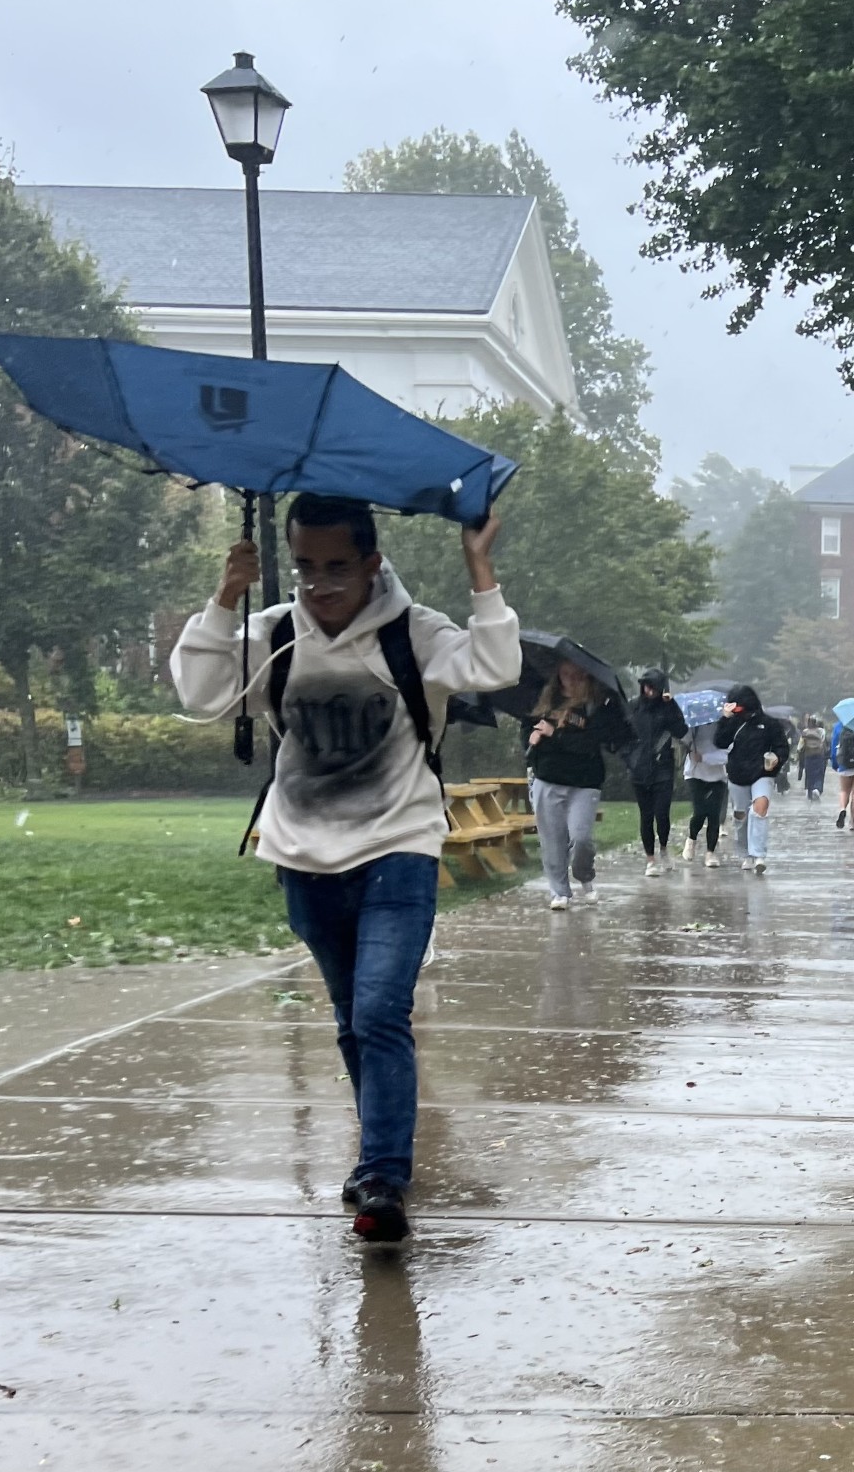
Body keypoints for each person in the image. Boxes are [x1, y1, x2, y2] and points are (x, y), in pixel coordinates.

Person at [171, 494, 519, 1243]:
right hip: (303, 852)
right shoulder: (275, 636)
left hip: (399, 845)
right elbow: (200, 696)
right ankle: (377, 1156)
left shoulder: (412, 634)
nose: (320, 583)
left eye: (337, 566)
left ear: (371, 561)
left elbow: (494, 664)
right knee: (350, 1020)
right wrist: (226, 597)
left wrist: (480, 570)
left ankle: (385, 1175)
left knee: (379, 1012)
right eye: (304, 566)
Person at [527, 660, 634, 911]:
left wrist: (556, 735)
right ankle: (559, 891)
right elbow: (528, 732)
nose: (572, 680)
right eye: (566, 674)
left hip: (585, 781)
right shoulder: (545, 702)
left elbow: (590, 744)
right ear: (558, 676)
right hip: (548, 777)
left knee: (581, 837)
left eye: (578, 675)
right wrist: (531, 737)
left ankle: (584, 875)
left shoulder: (597, 706)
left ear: (587, 676)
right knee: (552, 840)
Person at [718, 684, 790, 872]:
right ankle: (745, 853)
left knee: (760, 808)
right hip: (737, 773)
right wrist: (724, 720)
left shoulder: (770, 724)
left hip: (763, 773)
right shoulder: (732, 722)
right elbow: (719, 742)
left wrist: (777, 758)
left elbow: (782, 747)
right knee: (740, 815)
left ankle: (759, 855)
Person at [626, 668, 689, 877]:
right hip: (639, 768)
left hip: (662, 767)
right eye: (645, 685)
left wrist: (670, 706)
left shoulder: (668, 707)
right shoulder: (634, 707)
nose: (648, 690)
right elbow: (623, 733)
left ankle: (663, 847)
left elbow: (681, 730)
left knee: (662, 813)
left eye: (652, 686)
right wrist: (629, 757)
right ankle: (650, 859)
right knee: (646, 815)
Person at [682, 718, 730, 865]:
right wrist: (687, 742)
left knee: (714, 814)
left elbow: (728, 754)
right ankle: (692, 839)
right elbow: (683, 738)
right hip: (695, 774)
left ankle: (710, 852)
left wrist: (704, 757)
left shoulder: (725, 728)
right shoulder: (694, 726)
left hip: (718, 776)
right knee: (700, 811)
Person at [797, 714, 830, 801]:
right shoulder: (821, 731)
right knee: (819, 774)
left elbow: (800, 747)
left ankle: (809, 791)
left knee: (809, 774)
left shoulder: (805, 732)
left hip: (808, 755)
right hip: (819, 755)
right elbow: (824, 742)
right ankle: (817, 789)